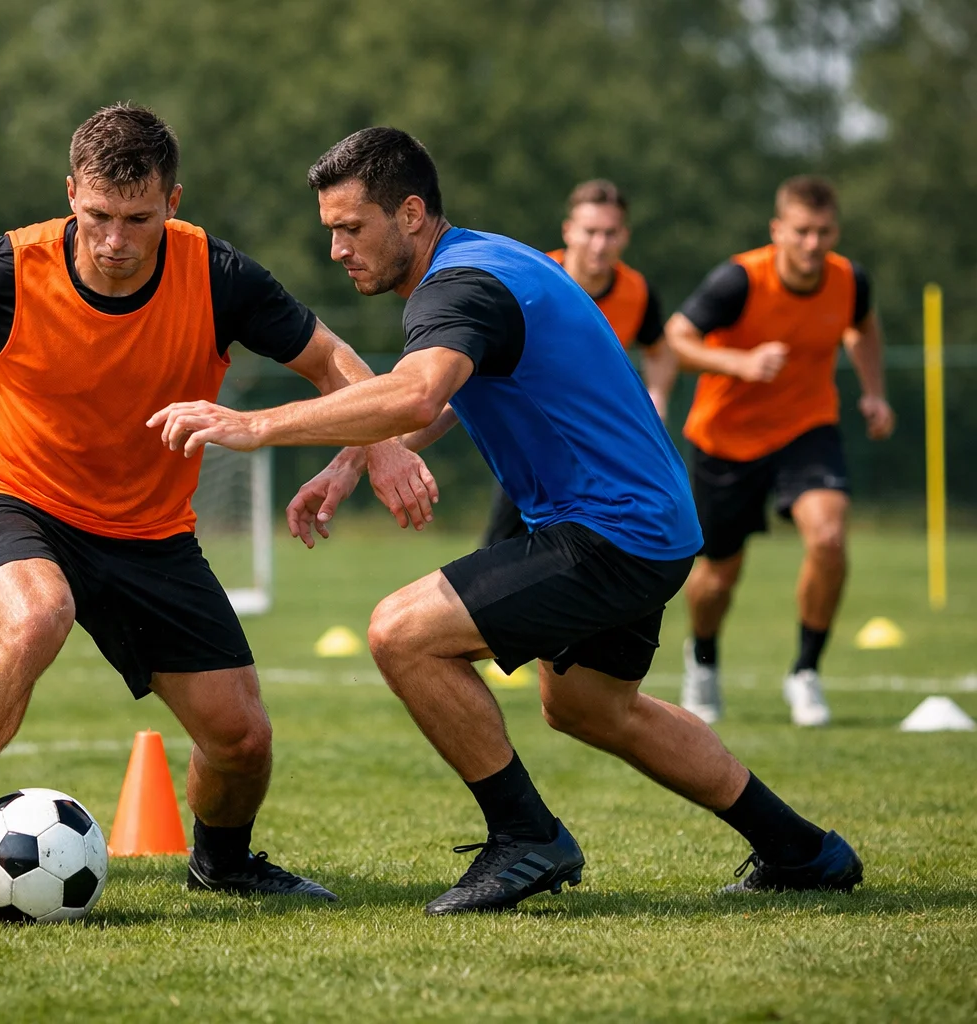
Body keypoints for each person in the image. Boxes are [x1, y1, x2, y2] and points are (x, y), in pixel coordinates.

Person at [150, 128, 862, 914]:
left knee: (400, 632)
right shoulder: (484, 262)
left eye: (351, 228)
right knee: (591, 707)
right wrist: (354, 459)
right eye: (331, 232)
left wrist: (256, 426)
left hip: (609, 529)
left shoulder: (461, 287)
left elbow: (419, 392)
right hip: (647, 524)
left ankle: (525, 837)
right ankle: (803, 851)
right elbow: (447, 394)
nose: (337, 250)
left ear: (411, 213)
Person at [0, 104, 435, 907]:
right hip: (7, 493)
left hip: (148, 532)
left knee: (241, 738)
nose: (115, 241)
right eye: (96, 216)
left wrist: (383, 441)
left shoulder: (218, 275)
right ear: (71, 196)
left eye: (138, 218)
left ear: (173, 202)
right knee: (35, 614)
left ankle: (223, 862)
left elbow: (329, 356)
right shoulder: (5, 268)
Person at [666, 176, 894, 727]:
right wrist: (740, 364)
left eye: (823, 232)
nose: (812, 244)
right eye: (801, 232)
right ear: (778, 231)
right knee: (719, 575)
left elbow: (862, 328)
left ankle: (806, 673)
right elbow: (677, 337)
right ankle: (703, 663)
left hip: (806, 428)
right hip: (726, 438)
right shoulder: (739, 280)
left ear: (835, 230)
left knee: (830, 537)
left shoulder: (848, 281)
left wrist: (874, 393)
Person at [480, 179, 677, 546]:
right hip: (532, 445)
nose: (600, 245)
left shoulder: (638, 292)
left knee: (617, 551)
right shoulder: (530, 278)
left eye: (610, 233)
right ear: (569, 231)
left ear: (625, 236)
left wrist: (657, 396)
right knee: (501, 553)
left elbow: (661, 351)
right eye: (590, 232)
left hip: (599, 448)